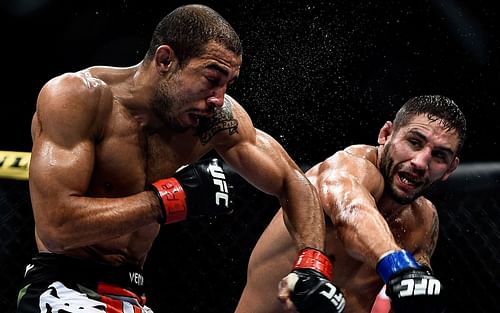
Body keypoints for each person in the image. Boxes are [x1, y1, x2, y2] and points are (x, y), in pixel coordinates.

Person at [16, 4, 345, 313]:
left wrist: (312, 263)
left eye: (228, 85)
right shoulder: (79, 98)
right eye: (211, 79)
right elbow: (56, 228)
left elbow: (292, 181)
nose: (218, 99)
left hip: (132, 294)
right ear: (165, 60)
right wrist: (168, 200)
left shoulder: (212, 120)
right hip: (61, 287)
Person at [235, 95, 467, 313]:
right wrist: (399, 266)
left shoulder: (424, 221)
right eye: (414, 142)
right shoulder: (347, 168)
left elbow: (414, 295)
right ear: (386, 134)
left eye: (439, 156)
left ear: (450, 168)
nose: (420, 162)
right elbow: (352, 213)